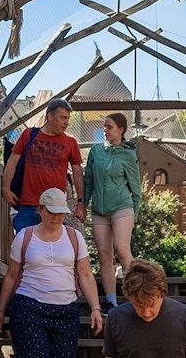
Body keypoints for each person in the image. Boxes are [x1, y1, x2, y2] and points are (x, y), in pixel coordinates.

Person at [0, 188, 103, 356]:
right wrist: (0, 312)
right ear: (40, 210)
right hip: (29, 308)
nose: (57, 217)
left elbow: (86, 275)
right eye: (52, 212)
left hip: (66, 311)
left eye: (61, 213)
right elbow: (11, 276)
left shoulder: (75, 237)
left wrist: (95, 308)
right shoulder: (24, 236)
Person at [83, 112, 141, 309]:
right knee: (103, 254)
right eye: (104, 126)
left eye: (109, 127)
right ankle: (111, 300)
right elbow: (88, 181)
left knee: (122, 250)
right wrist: (83, 204)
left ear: (121, 130)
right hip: (99, 210)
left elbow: (136, 189)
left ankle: (135, 297)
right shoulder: (95, 151)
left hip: (122, 208)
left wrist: (135, 215)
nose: (104, 130)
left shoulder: (128, 154)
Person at [2, 98, 86, 231]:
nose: (66, 123)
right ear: (50, 116)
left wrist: (81, 202)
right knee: (27, 246)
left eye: (68, 118)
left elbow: (77, 172)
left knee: (55, 249)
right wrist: (6, 189)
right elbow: (12, 163)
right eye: (63, 118)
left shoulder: (70, 141)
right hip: (29, 204)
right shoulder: (29, 134)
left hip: (55, 206)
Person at [103, 259, 186, 358]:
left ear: (162, 294)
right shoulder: (115, 318)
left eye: (151, 305)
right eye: (139, 305)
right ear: (129, 296)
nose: (146, 313)